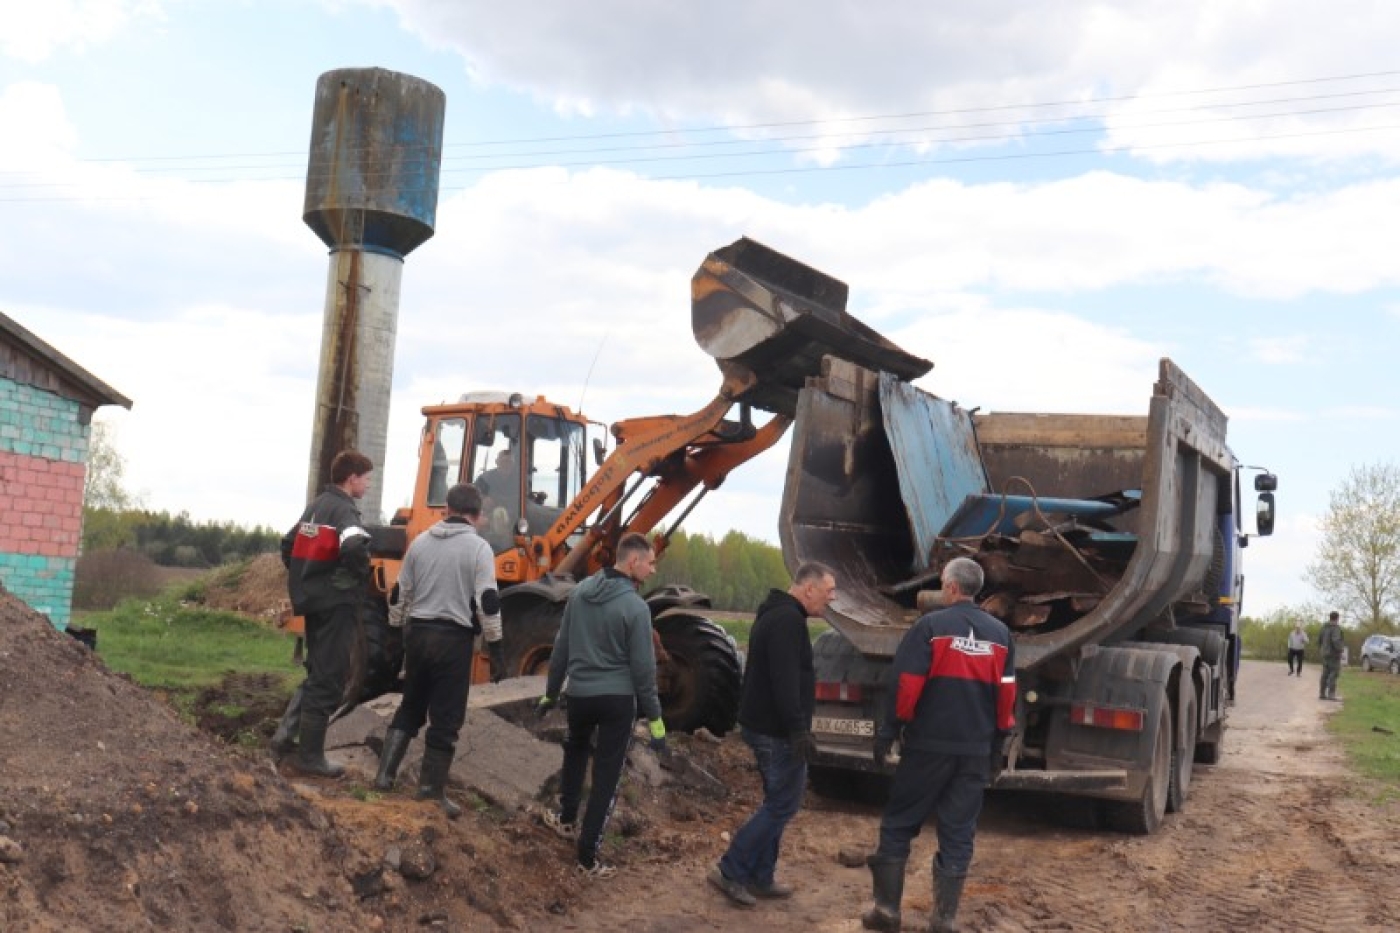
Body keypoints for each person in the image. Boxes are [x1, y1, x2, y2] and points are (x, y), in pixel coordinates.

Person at [861, 556, 1016, 933]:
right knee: (959, 831)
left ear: (949, 587)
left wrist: (889, 731)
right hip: (976, 751)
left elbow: (907, 684)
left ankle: (887, 911)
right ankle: (944, 919)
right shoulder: (1001, 635)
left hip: (927, 747)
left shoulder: (930, 627)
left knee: (899, 823)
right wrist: (997, 747)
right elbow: (1006, 697)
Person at [372, 483, 507, 817]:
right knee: (446, 717)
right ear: (476, 515)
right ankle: (430, 791)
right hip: (453, 639)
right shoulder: (479, 549)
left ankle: (384, 776)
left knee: (411, 705)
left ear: (446, 509)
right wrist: (498, 649)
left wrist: (394, 629)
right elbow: (488, 602)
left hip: (418, 634)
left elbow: (400, 592)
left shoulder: (420, 543)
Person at [537, 532, 666, 879]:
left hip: (578, 695)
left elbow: (561, 647)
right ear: (633, 561)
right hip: (616, 700)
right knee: (607, 777)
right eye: (651, 562)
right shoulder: (636, 608)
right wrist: (655, 718)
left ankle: (566, 820)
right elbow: (643, 669)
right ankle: (587, 858)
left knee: (576, 752)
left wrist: (550, 693)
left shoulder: (578, 593)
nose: (653, 570)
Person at [709, 562, 836, 908]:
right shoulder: (787, 622)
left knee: (778, 802)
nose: (831, 598)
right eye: (828, 592)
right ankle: (731, 869)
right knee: (782, 804)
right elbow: (784, 680)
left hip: (766, 725)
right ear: (809, 589)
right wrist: (797, 730)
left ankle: (761, 875)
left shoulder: (778, 615)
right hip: (775, 731)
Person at [276, 449, 374, 777]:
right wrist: (350, 581)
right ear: (352, 478)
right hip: (336, 607)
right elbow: (355, 547)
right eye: (366, 478)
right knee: (329, 678)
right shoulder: (344, 510)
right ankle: (310, 757)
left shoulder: (317, 506)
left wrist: (309, 578)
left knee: (317, 672)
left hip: (315, 603)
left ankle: (282, 740)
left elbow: (287, 546)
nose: (369, 484)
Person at [1318, 610, 1345, 700]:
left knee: (1325, 673)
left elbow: (1319, 640)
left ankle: (1322, 693)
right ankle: (1331, 694)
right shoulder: (1336, 628)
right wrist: (1340, 650)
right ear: (1337, 618)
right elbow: (1336, 640)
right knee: (1334, 673)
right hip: (1333, 654)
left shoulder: (1324, 627)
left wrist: (1322, 649)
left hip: (1325, 653)